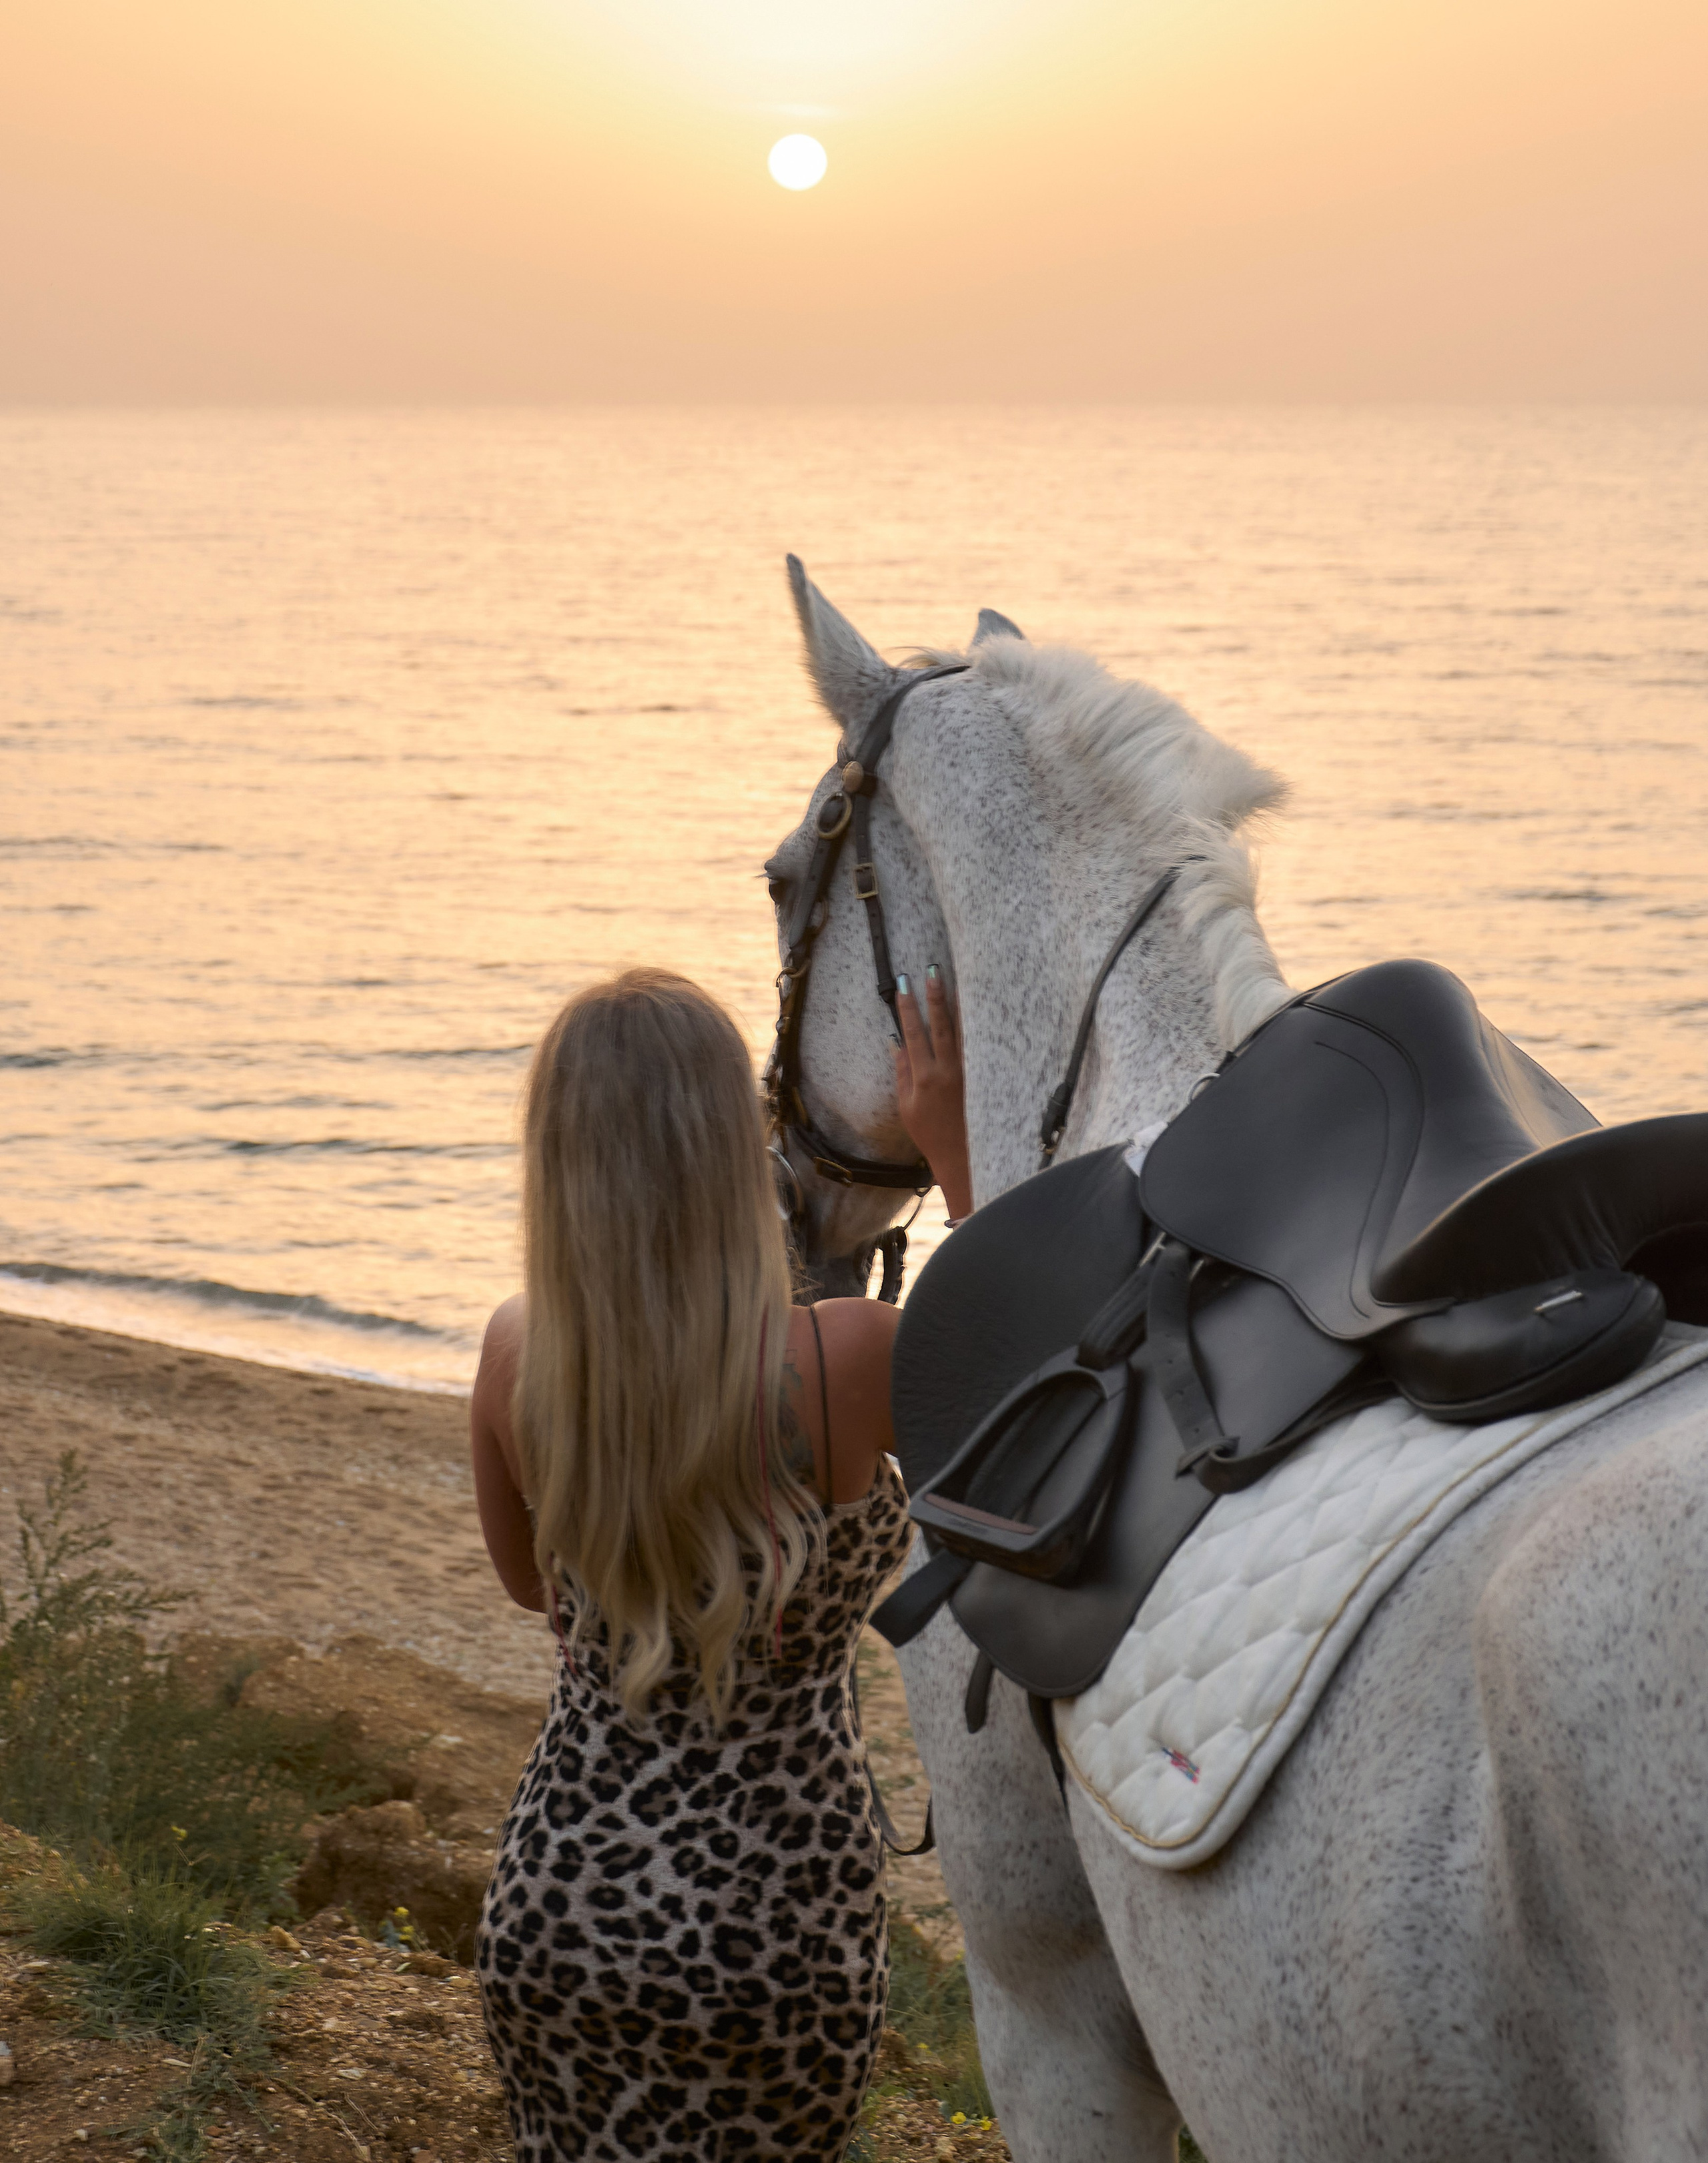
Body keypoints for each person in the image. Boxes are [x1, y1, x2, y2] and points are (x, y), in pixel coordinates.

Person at [470, 962, 971, 2162]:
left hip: (561, 1902)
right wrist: (957, 1155)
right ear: (736, 1143)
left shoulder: (517, 1353)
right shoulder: (846, 1354)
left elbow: (533, 1587)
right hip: (769, 1923)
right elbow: (1038, 1406)